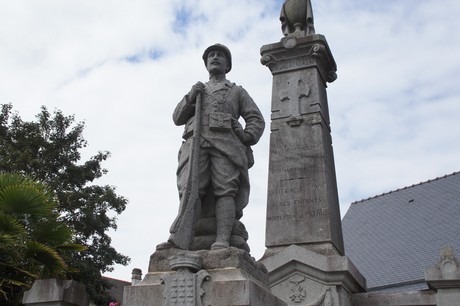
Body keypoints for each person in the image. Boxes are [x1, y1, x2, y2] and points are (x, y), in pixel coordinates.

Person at [158, 44, 265, 251]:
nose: (215, 58)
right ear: (206, 64)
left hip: (226, 144)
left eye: (220, 56)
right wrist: (191, 96)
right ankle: (181, 239)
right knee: (190, 189)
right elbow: (177, 118)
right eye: (211, 56)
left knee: (225, 189)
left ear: (228, 65)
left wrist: (247, 135)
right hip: (196, 143)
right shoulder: (198, 90)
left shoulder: (237, 91)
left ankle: (223, 239)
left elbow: (256, 119)